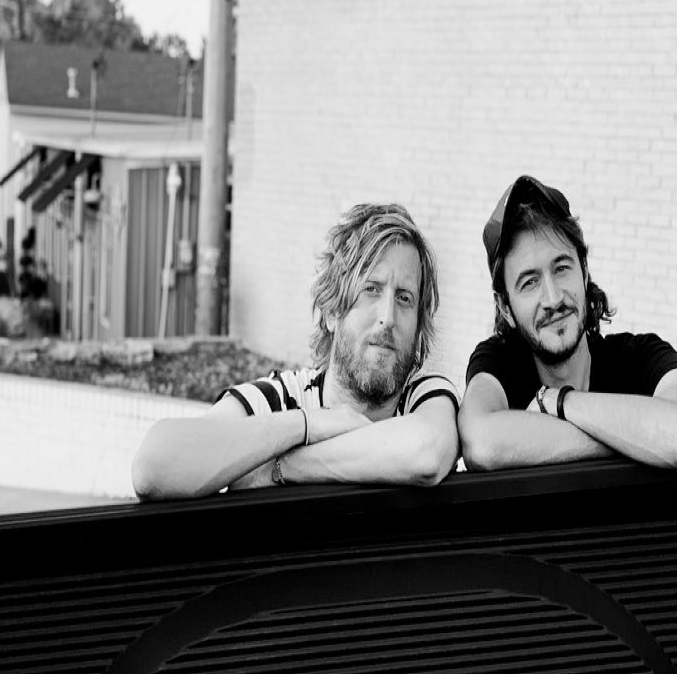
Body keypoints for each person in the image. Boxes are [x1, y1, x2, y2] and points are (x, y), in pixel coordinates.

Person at [133, 203, 460, 498]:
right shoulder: (277, 402)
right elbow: (154, 467)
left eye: (404, 298)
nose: (388, 317)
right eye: (370, 290)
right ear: (332, 312)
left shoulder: (423, 397)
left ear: (419, 327)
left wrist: (282, 468)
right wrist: (308, 425)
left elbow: (425, 452)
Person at [458, 176, 677, 472]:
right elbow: (480, 445)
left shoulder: (640, 356)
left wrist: (558, 401)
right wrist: (638, 442)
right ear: (505, 307)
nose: (553, 298)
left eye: (561, 268)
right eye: (530, 282)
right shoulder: (499, 363)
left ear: (583, 271)